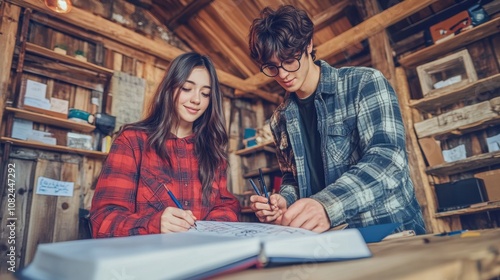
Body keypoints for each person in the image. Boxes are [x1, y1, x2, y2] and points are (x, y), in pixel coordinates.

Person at [248, 5, 425, 234]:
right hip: (331, 241)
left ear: (308, 44)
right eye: (271, 67)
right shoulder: (279, 120)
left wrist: (326, 206)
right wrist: (283, 201)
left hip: (390, 232)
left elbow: (388, 160)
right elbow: (293, 177)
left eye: (290, 60)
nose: (283, 74)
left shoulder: (364, 83)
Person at [90, 52, 240, 238]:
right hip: (147, 261)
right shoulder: (132, 141)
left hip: (201, 258)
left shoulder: (213, 153)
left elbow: (226, 205)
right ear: (169, 88)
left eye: (205, 93)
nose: (197, 100)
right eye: (187, 88)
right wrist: (153, 224)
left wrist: (212, 227)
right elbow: (102, 220)